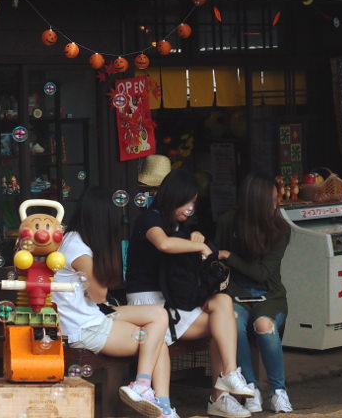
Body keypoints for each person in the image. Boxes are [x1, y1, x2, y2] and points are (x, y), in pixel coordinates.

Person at [125, 168, 256, 418]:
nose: (190, 208)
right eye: (187, 201)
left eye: (194, 203)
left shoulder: (177, 225)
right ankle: (219, 391)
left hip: (171, 300)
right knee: (224, 320)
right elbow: (163, 243)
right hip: (149, 303)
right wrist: (199, 245)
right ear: (174, 197)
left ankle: (227, 381)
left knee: (223, 306)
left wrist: (195, 238)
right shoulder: (149, 220)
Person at [53, 187, 179, 418]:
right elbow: (100, 295)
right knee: (157, 341)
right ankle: (158, 402)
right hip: (83, 327)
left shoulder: (76, 239)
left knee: (159, 316)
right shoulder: (79, 249)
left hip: (91, 313)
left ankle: (150, 392)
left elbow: (97, 298)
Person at [215, 172, 293, 413]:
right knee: (233, 323)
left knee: (264, 327)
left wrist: (229, 256)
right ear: (255, 202)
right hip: (235, 293)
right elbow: (215, 258)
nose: (275, 205)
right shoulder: (228, 221)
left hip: (269, 295)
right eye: (271, 200)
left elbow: (261, 273)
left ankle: (278, 391)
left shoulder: (280, 229)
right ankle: (250, 387)